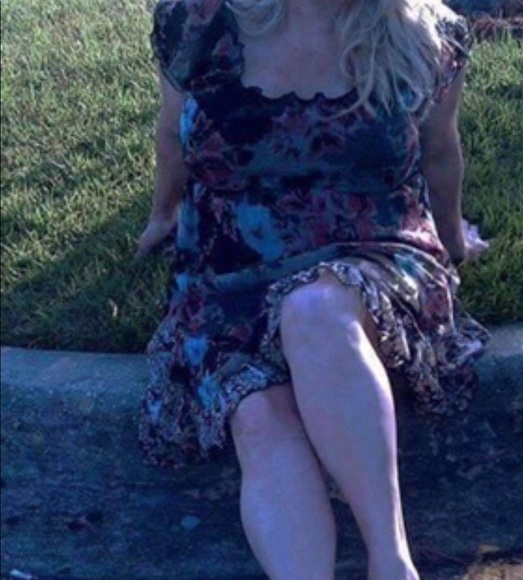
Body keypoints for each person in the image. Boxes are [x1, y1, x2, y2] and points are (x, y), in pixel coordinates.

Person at [136, 0, 491, 578]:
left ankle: (392, 563)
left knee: (315, 310)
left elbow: (439, 152)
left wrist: (453, 240)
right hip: (233, 269)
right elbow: (172, 136)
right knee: (255, 414)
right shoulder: (199, 21)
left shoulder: (425, 34)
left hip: (373, 249)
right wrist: (162, 215)